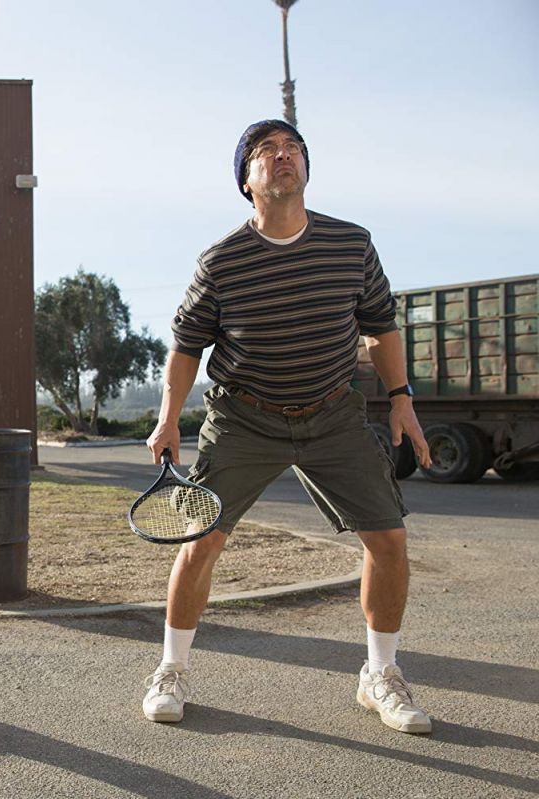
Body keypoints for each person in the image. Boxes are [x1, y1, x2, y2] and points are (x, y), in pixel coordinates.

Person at [141, 119, 435, 735]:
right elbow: (186, 346)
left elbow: (381, 326)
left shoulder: (351, 244)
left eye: (293, 149)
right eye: (266, 151)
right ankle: (172, 670)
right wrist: (168, 419)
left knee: (389, 540)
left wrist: (401, 399)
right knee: (201, 542)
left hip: (332, 414)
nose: (283, 156)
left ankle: (381, 675)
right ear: (246, 182)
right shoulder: (221, 261)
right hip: (245, 418)